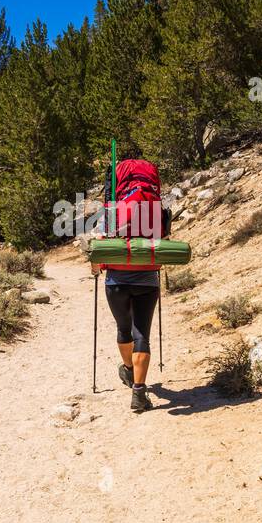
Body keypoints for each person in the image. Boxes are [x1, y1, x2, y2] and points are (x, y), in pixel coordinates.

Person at [93, 151, 170, 413]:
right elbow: (163, 241)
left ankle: (128, 369)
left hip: (116, 280)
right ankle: (139, 392)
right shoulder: (156, 207)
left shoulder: (113, 210)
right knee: (142, 334)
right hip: (147, 279)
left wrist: (96, 268)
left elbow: (99, 247)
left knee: (123, 329)